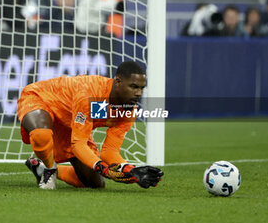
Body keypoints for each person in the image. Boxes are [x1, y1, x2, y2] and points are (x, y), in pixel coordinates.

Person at [17, 61, 163, 190]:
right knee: (41, 133)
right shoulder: (91, 94)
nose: (138, 93)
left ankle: (41, 169)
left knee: (96, 183)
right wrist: (104, 168)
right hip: (41, 98)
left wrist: (130, 170)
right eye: (134, 87)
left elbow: (110, 151)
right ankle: (49, 169)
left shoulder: (129, 110)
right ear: (118, 82)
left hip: (70, 122)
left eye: (142, 88)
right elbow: (78, 144)